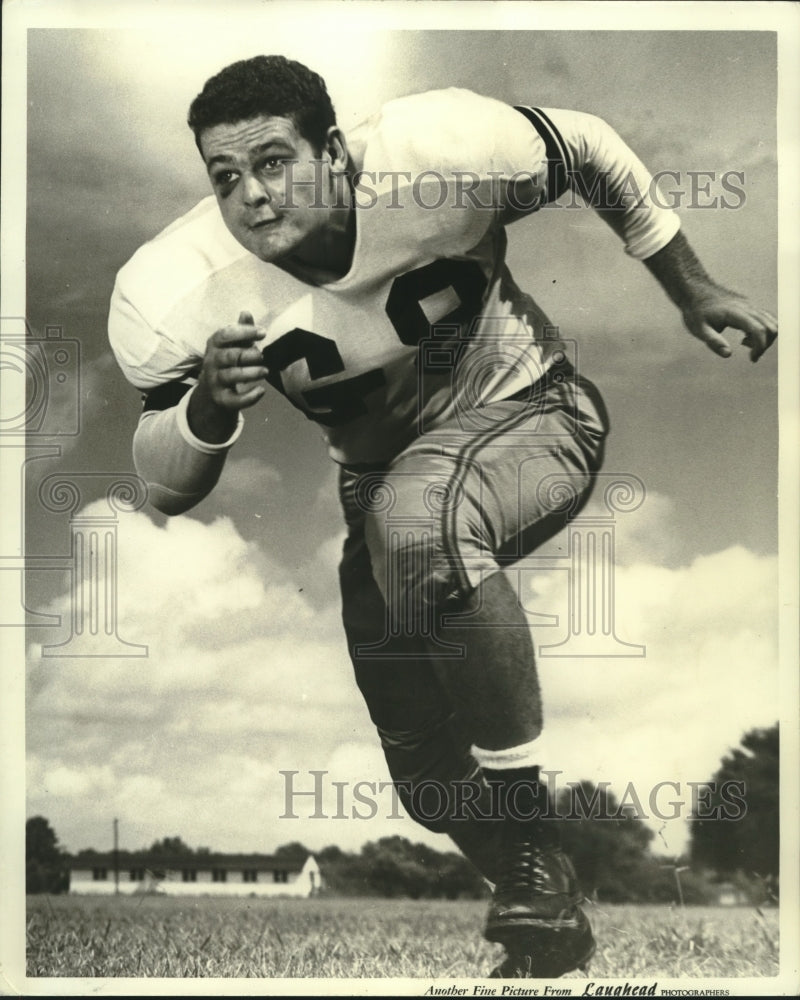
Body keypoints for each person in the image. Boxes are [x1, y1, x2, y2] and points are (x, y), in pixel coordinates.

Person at [108, 56, 777, 978]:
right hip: (376, 489)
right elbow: (166, 484)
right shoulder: (174, 287)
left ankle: (533, 846)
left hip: (534, 413)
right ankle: (551, 925)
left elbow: (588, 148)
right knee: (426, 774)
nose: (253, 197)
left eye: (274, 162)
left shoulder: (443, 148)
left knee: (422, 512)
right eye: (226, 178)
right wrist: (208, 412)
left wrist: (690, 285)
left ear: (336, 151)